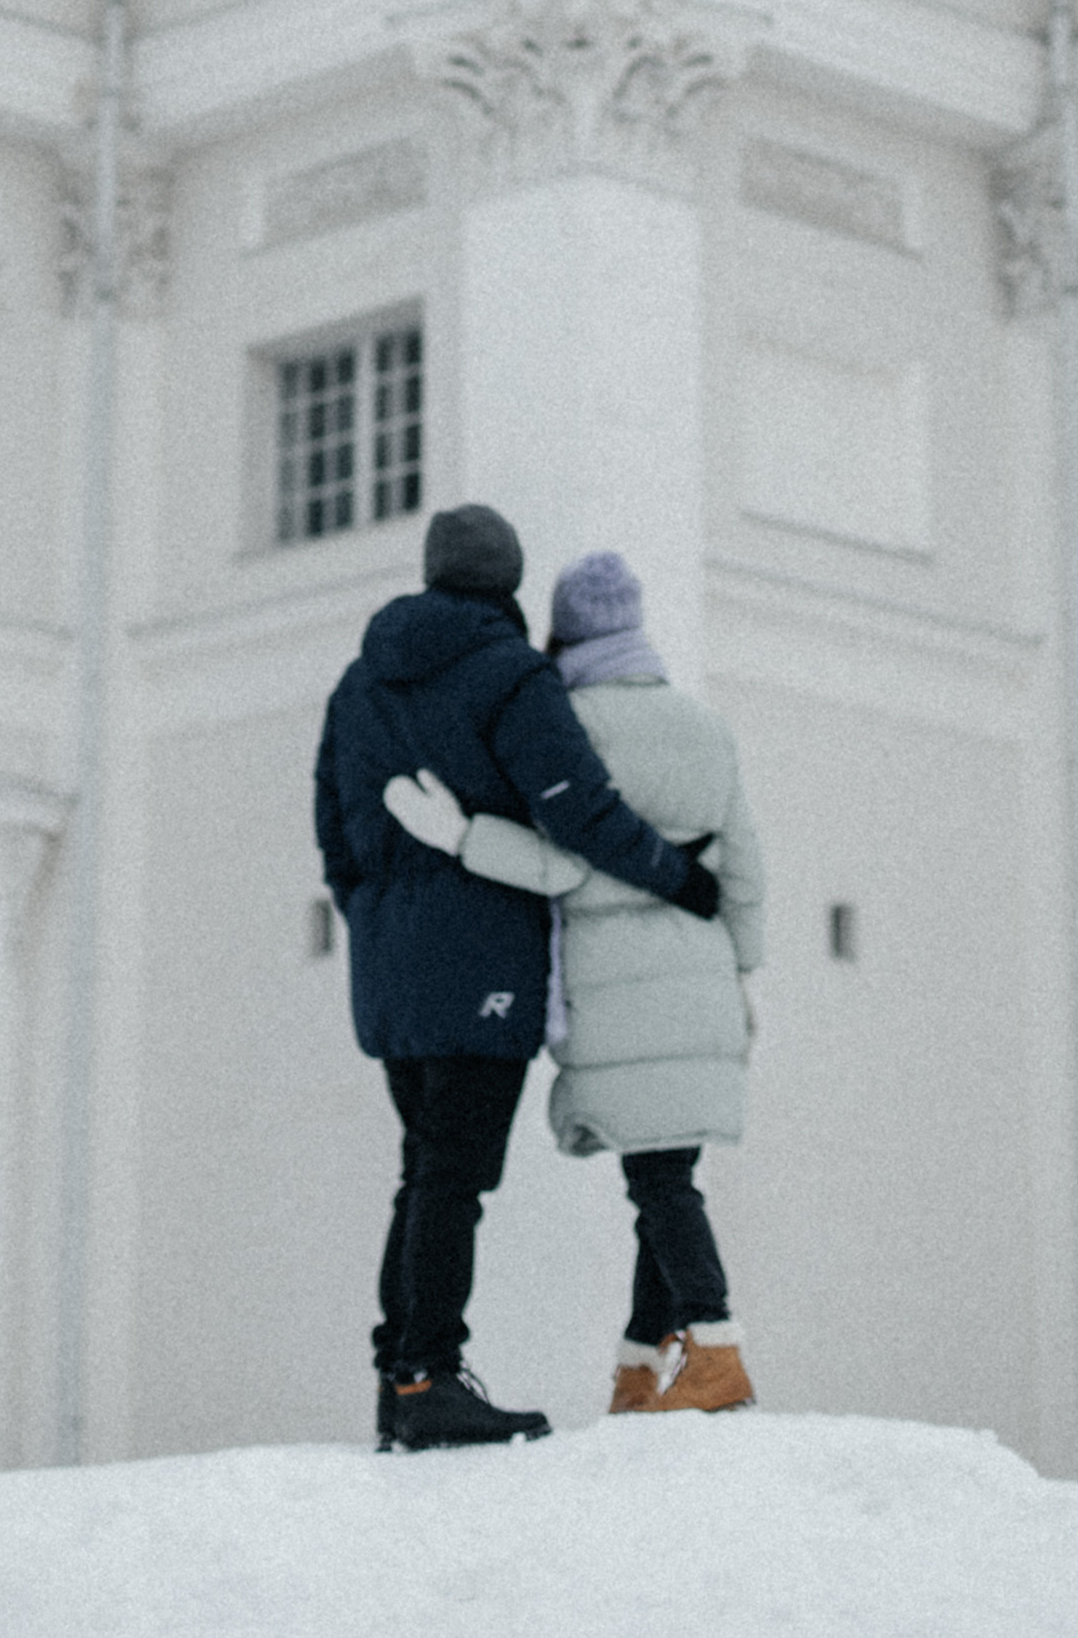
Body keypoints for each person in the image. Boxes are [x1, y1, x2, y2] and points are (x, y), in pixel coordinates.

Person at [314, 502, 723, 1451]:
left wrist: (374, 920)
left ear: (429, 572)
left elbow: (333, 827)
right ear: (507, 581)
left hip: (387, 967)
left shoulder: (356, 682)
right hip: (481, 964)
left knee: (424, 1174)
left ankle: (403, 1379)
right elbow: (579, 808)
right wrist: (682, 880)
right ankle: (425, 1379)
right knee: (453, 1178)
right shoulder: (509, 674)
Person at [385, 548, 764, 1417]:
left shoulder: (565, 722)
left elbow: (562, 866)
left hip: (616, 984)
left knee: (659, 1182)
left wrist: (460, 837)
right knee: (660, 1169)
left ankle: (715, 1349)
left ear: (564, 631)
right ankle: (641, 1366)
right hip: (700, 973)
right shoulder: (705, 726)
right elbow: (744, 862)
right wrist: (746, 971)